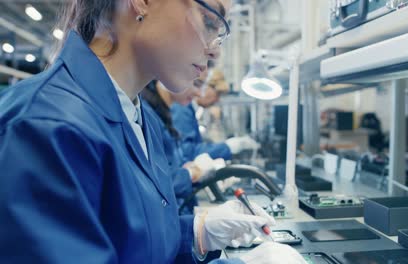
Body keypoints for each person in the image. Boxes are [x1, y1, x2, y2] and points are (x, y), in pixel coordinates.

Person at [0, 0, 306, 263]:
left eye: (219, 34)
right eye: (210, 21)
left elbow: (136, 245)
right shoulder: (45, 126)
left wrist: (196, 235)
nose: (214, 52)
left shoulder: (141, 117)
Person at [142, 80, 223, 214]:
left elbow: (171, 164)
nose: (198, 93)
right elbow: (154, 183)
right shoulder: (157, 114)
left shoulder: (164, 110)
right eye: (196, 84)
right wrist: (191, 174)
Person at [172, 68, 259, 162]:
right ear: (207, 87)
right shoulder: (182, 109)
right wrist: (227, 147)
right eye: (217, 94)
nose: (217, 100)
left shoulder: (191, 110)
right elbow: (187, 152)